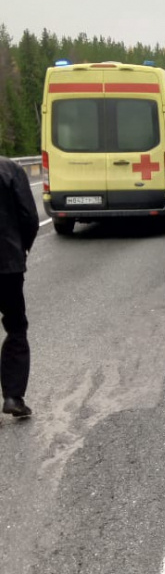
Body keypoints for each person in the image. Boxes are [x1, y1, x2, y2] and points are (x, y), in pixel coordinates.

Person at [0, 157, 39, 419]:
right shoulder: (10, 168)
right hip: (7, 264)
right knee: (15, 327)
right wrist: (21, 248)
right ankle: (14, 397)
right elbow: (28, 216)